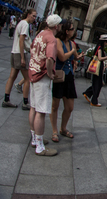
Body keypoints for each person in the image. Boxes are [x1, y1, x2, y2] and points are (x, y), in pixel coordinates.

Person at [28, 14, 63, 156]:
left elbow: (31, 49)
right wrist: (50, 73)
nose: (60, 26)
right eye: (59, 24)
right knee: (41, 111)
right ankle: (40, 147)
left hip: (33, 73)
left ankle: (34, 139)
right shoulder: (52, 39)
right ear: (56, 26)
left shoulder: (40, 34)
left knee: (34, 107)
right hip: (42, 76)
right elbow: (50, 59)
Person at [50, 19, 80, 142]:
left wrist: (78, 56)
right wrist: (73, 52)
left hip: (69, 76)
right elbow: (62, 57)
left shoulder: (72, 43)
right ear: (67, 31)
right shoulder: (58, 41)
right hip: (59, 75)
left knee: (70, 107)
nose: (74, 31)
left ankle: (63, 128)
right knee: (55, 106)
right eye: (72, 29)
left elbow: (75, 57)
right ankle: (54, 131)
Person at [3, 9, 36, 109]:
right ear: (29, 14)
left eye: (35, 16)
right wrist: (22, 57)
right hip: (20, 53)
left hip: (14, 52)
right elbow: (22, 40)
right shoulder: (25, 24)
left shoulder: (20, 23)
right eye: (33, 16)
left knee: (12, 77)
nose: (34, 18)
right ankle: (25, 102)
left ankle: (6, 99)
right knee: (28, 79)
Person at [83, 34, 107, 107]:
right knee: (98, 83)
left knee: (97, 83)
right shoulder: (99, 48)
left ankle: (88, 93)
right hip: (98, 67)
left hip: (98, 66)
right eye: (106, 42)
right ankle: (94, 100)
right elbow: (99, 58)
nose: (106, 43)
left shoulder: (99, 47)